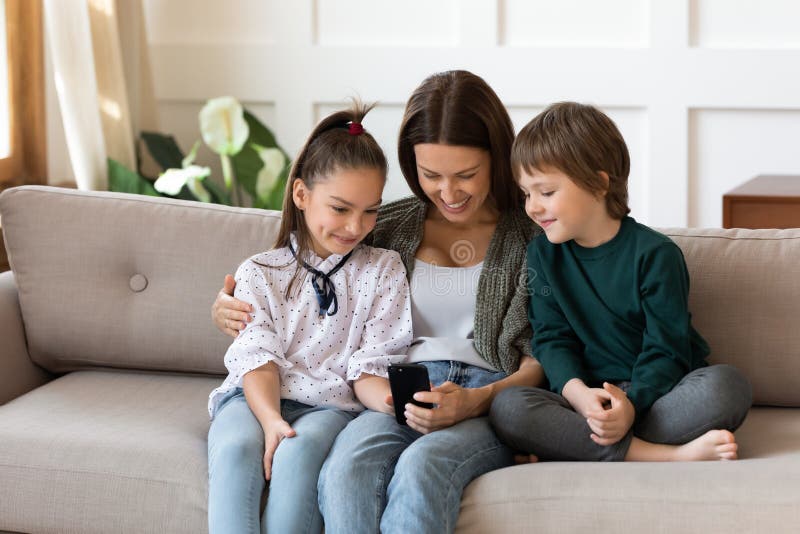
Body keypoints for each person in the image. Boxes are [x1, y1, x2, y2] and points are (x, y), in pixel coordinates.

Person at [211, 70, 545, 533]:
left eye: (466, 175)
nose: (448, 193)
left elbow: (542, 356)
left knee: (419, 469)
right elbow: (299, 268)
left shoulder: (534, 241)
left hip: (484, 397)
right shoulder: (379, 223)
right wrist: (227, 305)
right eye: (431, 175)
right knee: (347, 471)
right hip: (399, 391)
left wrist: (476, 401)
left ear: (497, 159)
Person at [490, 101, 752, 463]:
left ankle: (584, 446)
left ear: (598, 184)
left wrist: (631, 405)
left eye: (546, 192)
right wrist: (578, 393)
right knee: (509, 407)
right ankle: (664, 455)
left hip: (656, 395)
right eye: (526, 194)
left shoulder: (656, 255)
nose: (532, 207)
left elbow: (667, 348)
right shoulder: (542, 256)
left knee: (727, 387)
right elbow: (551, 338)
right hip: (586, 400)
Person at [206, 101, 413, 534]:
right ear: (302, 195)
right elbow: (257, 358)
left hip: (329, 406)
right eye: (340, 209)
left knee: (298, 456)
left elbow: (369, 366)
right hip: (253, 397)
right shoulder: (260, 272)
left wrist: (396, 403)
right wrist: (270, 421)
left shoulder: (383, 269)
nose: (356, 226)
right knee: (234, 450)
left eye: (371, 210)